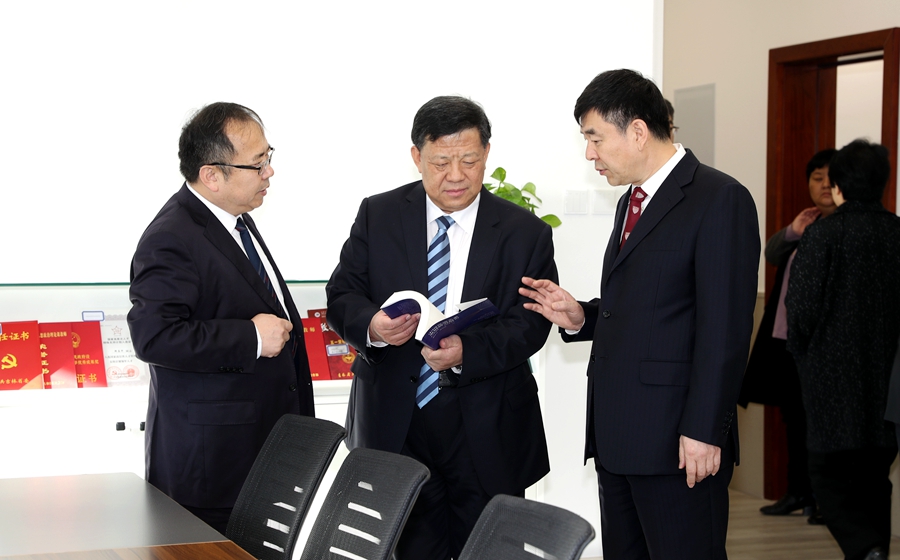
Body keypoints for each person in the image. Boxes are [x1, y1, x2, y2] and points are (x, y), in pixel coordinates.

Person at [520, 69, 760, 560]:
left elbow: (725, 330)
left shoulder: (719, 198)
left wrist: (704, 430)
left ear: (636, 130)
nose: (589, 154)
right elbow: (651, 310)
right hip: (618, 439)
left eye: (595, 138)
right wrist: (581, 317)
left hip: (678, 444)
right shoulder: (632, 200)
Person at [326, 95, 557, 560]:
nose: (456, 175)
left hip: (488, 422)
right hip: (398, 422)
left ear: (487, 153)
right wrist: (373, 326)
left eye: (469, 160)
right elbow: (342, 295)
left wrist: (467, 351)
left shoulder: (524, 232)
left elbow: (529, 324)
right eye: (440, 162)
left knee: (491, 551)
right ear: (417, 157)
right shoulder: (378, 215)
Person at [127, 102, 315, 534]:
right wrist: (251, 338)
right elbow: (155, 337)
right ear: (212, 176)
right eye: (257, 163)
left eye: (269, 157)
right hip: (214, 470)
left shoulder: (233, 220)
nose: (269, 172)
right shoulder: (171, 237)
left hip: (260, 453)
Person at [786, 139, 900, 560]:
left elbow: (800, 309)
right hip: (890, 382)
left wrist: (803, 356)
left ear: (837, 187)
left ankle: (866, 548)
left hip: (831, 379)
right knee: (875, 478)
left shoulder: (824, 235)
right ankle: (874, 551)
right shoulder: (898, 233)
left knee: (827, 476)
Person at [740, 149, 837, 521]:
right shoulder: (806, 222)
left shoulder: (843, 227)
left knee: (821, 424)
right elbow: (773, 253)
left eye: (830, 178)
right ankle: (799, 492)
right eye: (816, 178)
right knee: (793, 420)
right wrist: (795, 229)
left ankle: (825, 499)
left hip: (821, 348)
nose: (824, 185)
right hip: (786, 342)